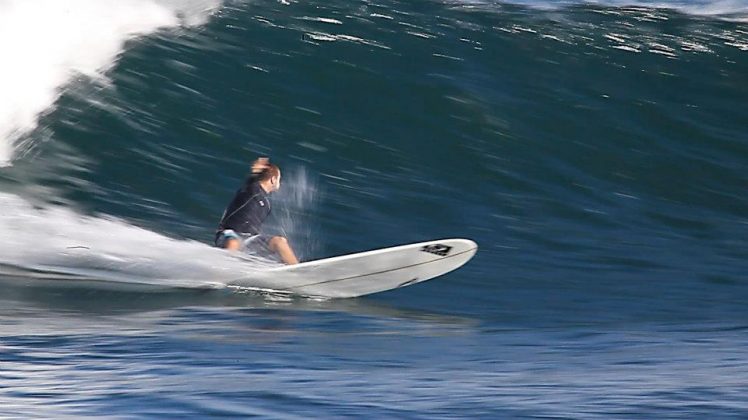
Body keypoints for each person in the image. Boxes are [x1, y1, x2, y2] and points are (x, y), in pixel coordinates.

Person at [214, 157, 299, 265]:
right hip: (229, 234)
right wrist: (256, 171)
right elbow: (250, 182)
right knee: (233, 243)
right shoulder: (251, 190)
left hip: (250, 240)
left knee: (280, 242)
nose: (279, 182)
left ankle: (297, 271)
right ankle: (223, 270)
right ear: (273, 179)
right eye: (279, 179)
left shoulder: (266, 204)